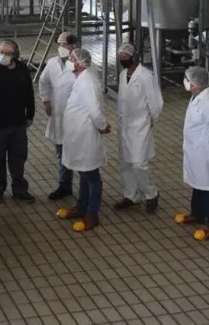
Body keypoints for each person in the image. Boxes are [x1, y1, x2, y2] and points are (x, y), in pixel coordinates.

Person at [55, 48, 110, 232]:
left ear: (80, 63)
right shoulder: (80, 78)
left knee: (92, 176)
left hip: (86, 136)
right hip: (77, 135)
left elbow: (95, 111)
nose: (69, 60)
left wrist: (103, 126)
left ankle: (92, 214)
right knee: (83, 172)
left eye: (72, 58)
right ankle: (81, 207)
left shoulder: (88, 82)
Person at [0, 40, 36, 203]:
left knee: (18, 159)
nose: (3, 56)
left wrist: (30, 115)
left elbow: (29, 93)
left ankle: (19, 189)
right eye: (1, 52)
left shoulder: (22, 69)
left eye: (7, 53)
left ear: (15, 55)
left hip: (17, 124)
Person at [175, 66, 209, 241]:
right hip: (194, 149)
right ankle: (197, 214)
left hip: (204, 151)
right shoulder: (197, 96)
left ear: (195, 84)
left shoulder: (208, 102)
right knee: (198, 183)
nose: (185, 82)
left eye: (187, 79)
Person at [113, 44, 164, 213]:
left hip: (140, 125)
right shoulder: (122, 75)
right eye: (120, 57)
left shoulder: (146, 76)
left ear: (134, 57)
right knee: (125, 163)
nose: (122, 60)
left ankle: (151, 193)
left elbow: (156, 103)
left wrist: (152, 120)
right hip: (124, 125)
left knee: (139, 163)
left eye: (125, 56)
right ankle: (131, 196)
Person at [38, 32, 78, 201]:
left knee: (79, 155)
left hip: (77, 118)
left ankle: (86, 188)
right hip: (58, 116)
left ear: (72, 46)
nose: (60, 47)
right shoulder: (53, 63)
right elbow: (43, 81)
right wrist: (46, 101)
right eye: (59, 44)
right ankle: (64, 185)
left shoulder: (82, 64)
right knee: (61, 154)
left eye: (63, 44)